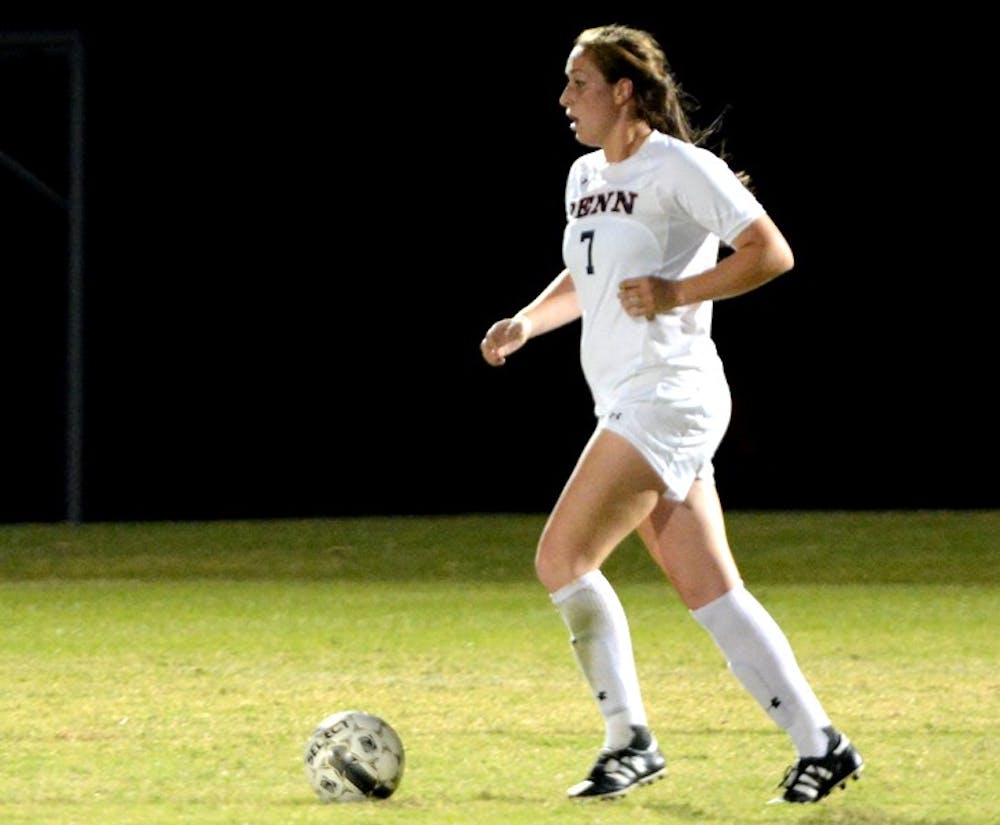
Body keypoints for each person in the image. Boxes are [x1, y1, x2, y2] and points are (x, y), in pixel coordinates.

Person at [479, 23, 863, 805]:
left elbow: (770, 251)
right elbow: (587, 276)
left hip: (669, 394)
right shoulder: (585, 175)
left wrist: (676, 293)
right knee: (712, 593)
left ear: (624, 91)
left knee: (562, 558)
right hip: (632, 398)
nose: (564, 99)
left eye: (578, 83)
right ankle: (823, 745)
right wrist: (527, 321)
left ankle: (630, 739)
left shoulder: (682, 167)